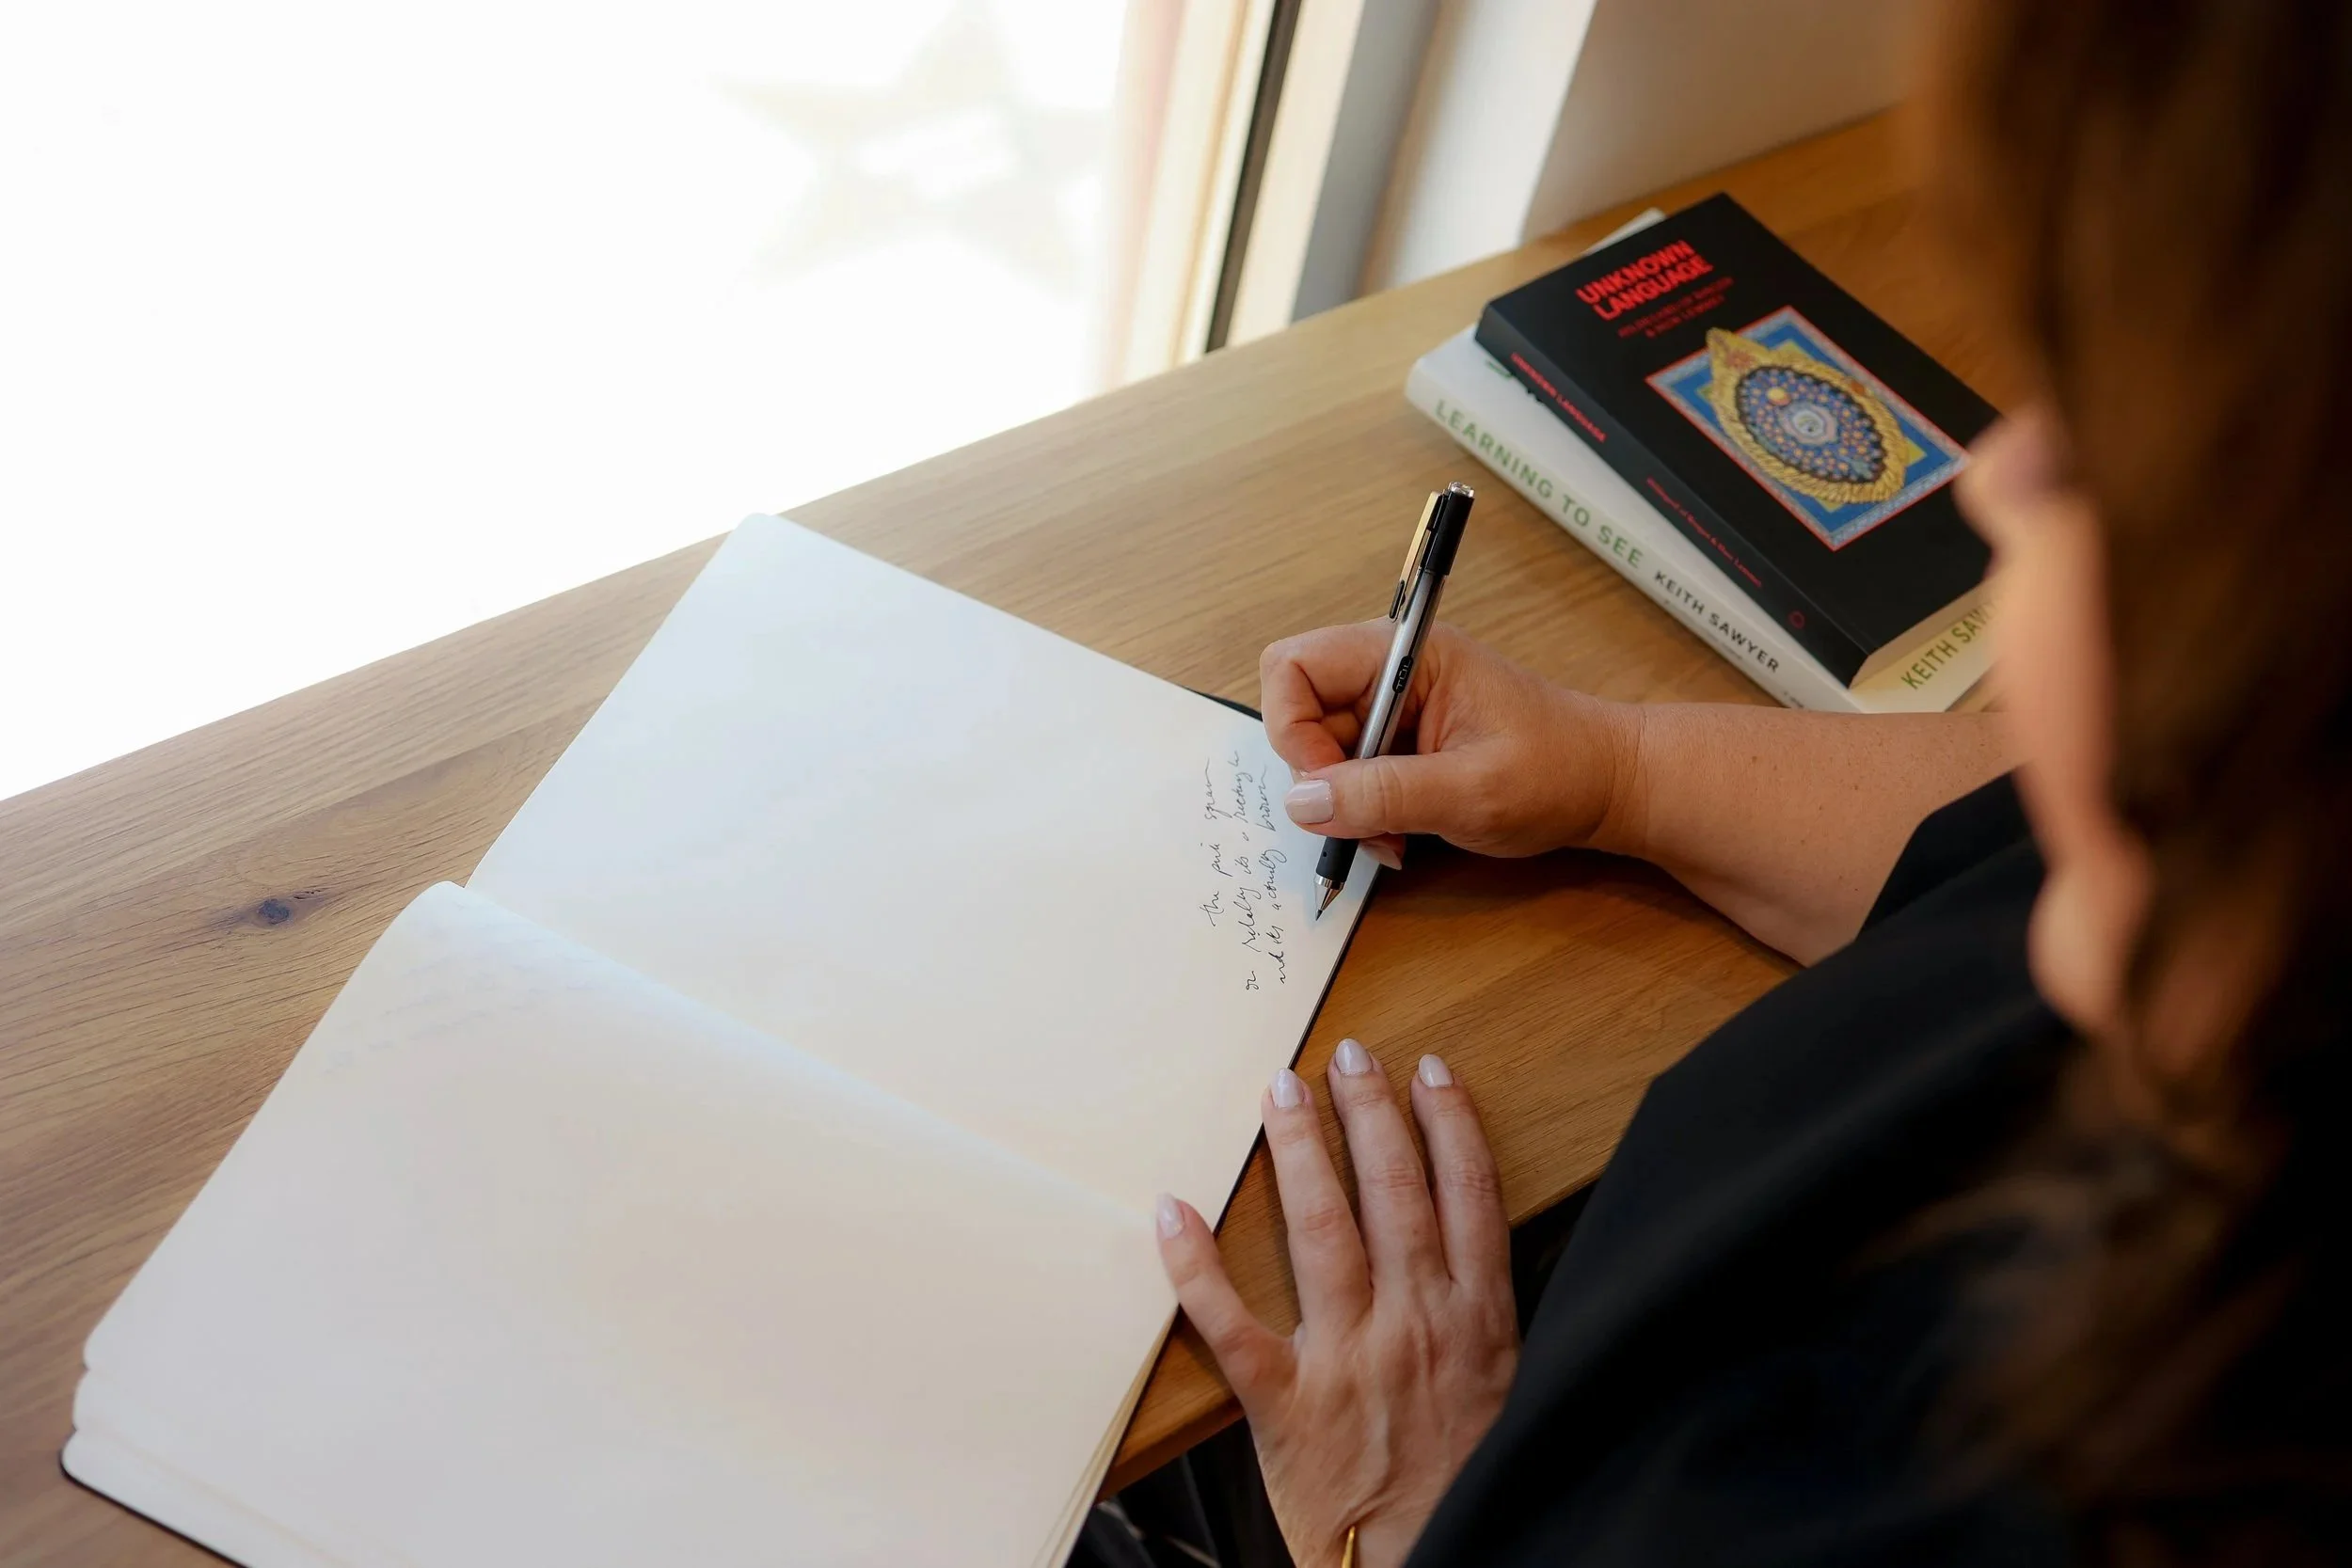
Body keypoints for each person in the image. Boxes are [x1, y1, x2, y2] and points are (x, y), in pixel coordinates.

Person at [1147, 1, 2352, 1563]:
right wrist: (1617, 769)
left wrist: (1408, 1514)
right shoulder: (2221, 880)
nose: (2001, 473)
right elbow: (2003, 825)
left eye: (2110, 443)